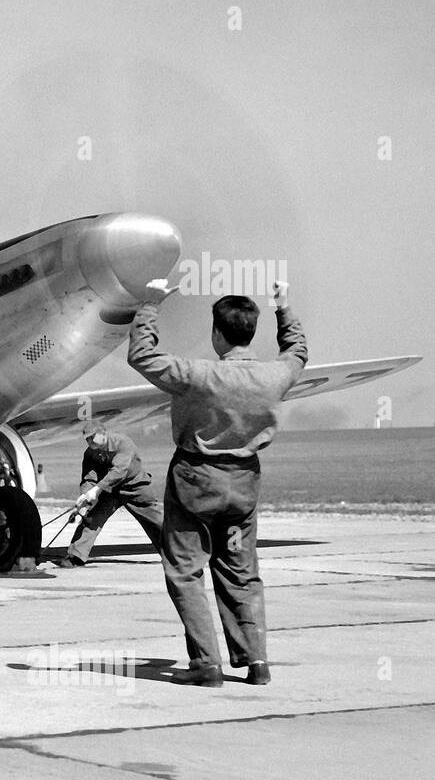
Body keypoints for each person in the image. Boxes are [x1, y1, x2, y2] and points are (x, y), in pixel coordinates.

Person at [128, 277, 306, 687]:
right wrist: (283, 308)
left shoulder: (197, 374)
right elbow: (297, 351)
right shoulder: (274, 376)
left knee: (185, 571)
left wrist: (151, 302)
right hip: (244, 485)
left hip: (195, 481)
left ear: (217, 333)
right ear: (250, 331)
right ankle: (256, 662)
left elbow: (142, 354)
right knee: (241, 572)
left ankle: (206, 665)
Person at [54, 420, 163, 567]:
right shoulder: (90, 453)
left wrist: (96, 490)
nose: (90, 441)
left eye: (93, 437)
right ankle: (75, 557)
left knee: (155, 521)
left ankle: (176, 554)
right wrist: (84, 496)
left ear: (103, 433)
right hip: (109, 490)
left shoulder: (122, 443)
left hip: (134, 487)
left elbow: (119, 471)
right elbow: (89, 477)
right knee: (92, 519)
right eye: (87, 438)